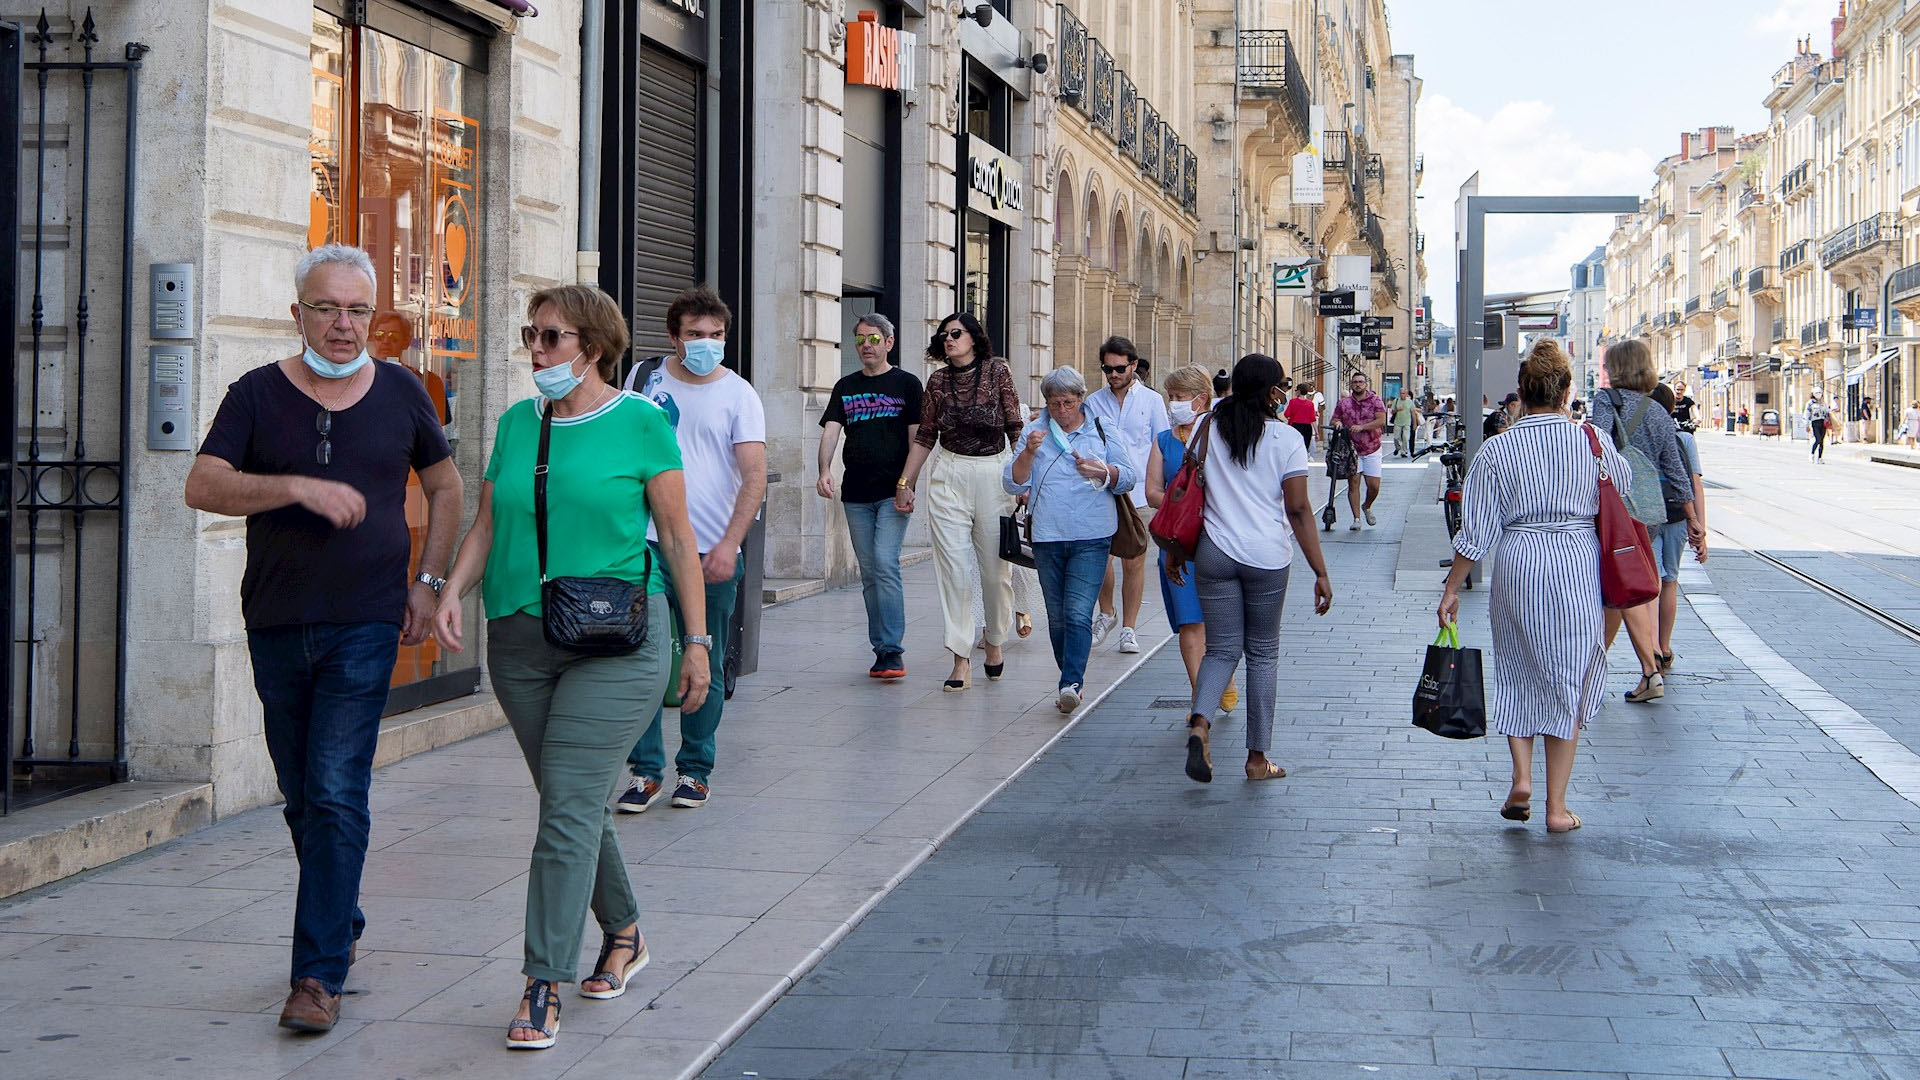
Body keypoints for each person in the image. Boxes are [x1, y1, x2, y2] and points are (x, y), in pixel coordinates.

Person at [183, 243, 462, 1033]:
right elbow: (201, 483)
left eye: (357, 311)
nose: (343, 325)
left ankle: (316, 976)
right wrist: (294, 486)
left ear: (373, 320)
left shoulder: (405, 392)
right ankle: (339, 915)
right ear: (297, 313)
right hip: (275, 621)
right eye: (327, 308)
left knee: (338, 790)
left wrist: (429, 582)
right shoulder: (256, 395)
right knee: (303, 797)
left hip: (367, 621)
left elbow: (446, 486)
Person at [428, 285, 707, 1049]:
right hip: (519, 636)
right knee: (570, 802)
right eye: (532, 335)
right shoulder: (522, 423)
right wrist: (451, 590)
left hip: (616, 641)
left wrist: (699, 643)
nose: (536, 351)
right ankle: (625, 932)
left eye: (551, 337)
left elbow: (680, 542)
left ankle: (541, 982)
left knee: (566, 811)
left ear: (593, 345)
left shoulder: (642, 423)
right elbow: (489, 520)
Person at [1437, 339, 1629, 835]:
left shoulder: (1499, 448)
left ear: (1521, 392)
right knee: (1566, 677)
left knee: (1519, 671)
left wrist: (1451, 589)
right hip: (1575, 564)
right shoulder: (1590, 440)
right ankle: (1556, 807)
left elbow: (1476, 532)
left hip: (1519, 563)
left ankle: (1521, 778)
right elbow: (1624, 486)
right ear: (1566, 391)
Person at [614, 285, 766, 813]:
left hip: (710, 552)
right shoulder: (643, 383)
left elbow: (754, 477)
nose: (707, 344)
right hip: (647, 547)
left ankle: (695, 769)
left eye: (717, 335)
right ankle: (646, 771)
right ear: (674, 338)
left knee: (706, 657)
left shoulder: (739, 395)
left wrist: (729, 544)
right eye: (696, 335)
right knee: (642, 658)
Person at [1181, 354, 1333, 785]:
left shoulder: (1207, 426)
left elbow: (1187, 488)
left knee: (1221, 650)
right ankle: (1256, 759)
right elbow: (1299, 509)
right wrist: (1320, 571)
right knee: (1263, 654)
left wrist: (1177, 551)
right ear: (1271, 392)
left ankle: (1199, 723)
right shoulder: (1286, 439)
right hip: (1266, 557)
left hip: (1214, 553)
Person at [896, 313, 1024, 690]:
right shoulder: (937, 381)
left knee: (994, 571)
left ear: (973, 338)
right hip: (949, 474)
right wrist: (906, 482)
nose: (949, 339)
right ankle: (960, 657)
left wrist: (1024, 479)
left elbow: (1015, 426)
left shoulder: (997, 372)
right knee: (953, 569)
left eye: (956, 333)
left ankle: (995, 642)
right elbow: (925, 436)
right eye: (944, 335)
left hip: (993, 472)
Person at [1005, 367, 1138, 713]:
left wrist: (1104, 472)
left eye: (1068, 402)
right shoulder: (1035, 430)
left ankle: (1071, 683)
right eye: (1054, 403)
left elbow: (1129, 477)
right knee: (1058, 616)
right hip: (1047, 536)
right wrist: (1028, 454)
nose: (1062, 410)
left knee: (1079, 613)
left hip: (1092, 535)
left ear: (1081, 398)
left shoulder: (1101, 428)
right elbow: (1013, 483)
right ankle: (1070, 675)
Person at [1589, 338, 1700, 704]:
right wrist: (1693, 518)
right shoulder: (1657, 411)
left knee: (1613, 591)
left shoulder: (1607, 400)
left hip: (1615, 509)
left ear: (1618, 368)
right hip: (1648, 513)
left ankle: (1593, 670)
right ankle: (1634, 670)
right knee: (1626, 587)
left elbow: (1598, 446)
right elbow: (1676, 468)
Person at [817, 314, 922, 680]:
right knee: (870, 573)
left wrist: (907, 483)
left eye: (874, 339)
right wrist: (824, 469)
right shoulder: (845, 386)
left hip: (892, 493)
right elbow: (831, 430)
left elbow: (918, 439)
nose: (866, 345)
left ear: (889, 342)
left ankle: (893, 649)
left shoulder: (907, 384)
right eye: (860, 339)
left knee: (884, 561)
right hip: (856, 494)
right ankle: (881, 649)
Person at [1147, 365, 1238, 718]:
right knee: (1190, 623)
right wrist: (1181, 500)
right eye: (1170, 396)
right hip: (1178, 544)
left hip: (1217, 541)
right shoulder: (1163, 441)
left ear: (1201, 399)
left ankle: (1223, 679)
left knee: (1220, 623)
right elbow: (1152, 491)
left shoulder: (1223, 435)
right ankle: (1200, 698)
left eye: (1179, 397)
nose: (1173, 404)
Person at [1082, 335, 1170, 656]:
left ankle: (1129, 629)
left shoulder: (1152, 401)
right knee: (1100, 560)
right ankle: (1107, 613)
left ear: (1134, 365)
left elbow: (1161, 445)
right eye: (1108, 369)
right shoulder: (1092, 402)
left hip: (1140, 495)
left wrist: (1161, 490)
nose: (1113, 374)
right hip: (1103, 492)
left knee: (1134, 562)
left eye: (1120, 368)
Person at [1647, 384, 1708, 674]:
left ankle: (1653, 650)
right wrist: (1699, 527)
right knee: (1670, 580)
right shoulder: (1684, 438)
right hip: (1677, 515)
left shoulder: (1642, 435)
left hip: (1648, 514)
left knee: (1652, 582)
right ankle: (1665, 645)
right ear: (1672, 408)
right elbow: (1695, 483)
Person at [1327, 370, 1387, 530]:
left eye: (1360, 382)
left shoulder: (1375, 400)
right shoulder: (1344, 403)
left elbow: (1381, 420)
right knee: (1353, 484)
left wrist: (1362, 427)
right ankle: (1357, 519)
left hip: (1372, 447)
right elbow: (1334, 418)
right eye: (1355, 382)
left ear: (1366, 384)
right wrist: (1337, 423)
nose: (1358, 384)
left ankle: (1366, 506)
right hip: (1351, 449)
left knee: (1373, 486)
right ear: (1351, 385)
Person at [1282, 382, 1317, 453]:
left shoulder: (1293, 402)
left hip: (1295, 426)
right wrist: (1317, 432)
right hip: (1307, 428)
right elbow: (1313, 419)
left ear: (1299, 391)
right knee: (1304, 448)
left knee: (1294, 447)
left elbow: (1286, 414)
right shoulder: (1310, 404)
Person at [1392, 388, 1420, 458]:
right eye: (1401, 393)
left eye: (1403, 393)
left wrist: (1414, 424)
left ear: (1406, 394)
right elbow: (1392, 412)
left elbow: (1413, 413)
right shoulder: (1396, 401)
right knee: (1396, 437)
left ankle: (1404, 451)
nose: (1402, 395)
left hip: (1407, 422)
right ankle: (1398, 448)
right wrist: (1397, 409)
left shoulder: (1410, 402)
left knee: (1405, 437)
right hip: (1397, 422)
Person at [1807, 392, 1831, 461]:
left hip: (1823, 422)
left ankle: (1820, 458)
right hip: (1815, 422)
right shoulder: (1810, 403)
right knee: (1818, 439)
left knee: (1822, 441)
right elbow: (1807, 413)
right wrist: (1807, 424)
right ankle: (1812, 454)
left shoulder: (1824, 403)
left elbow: (1827, 411)